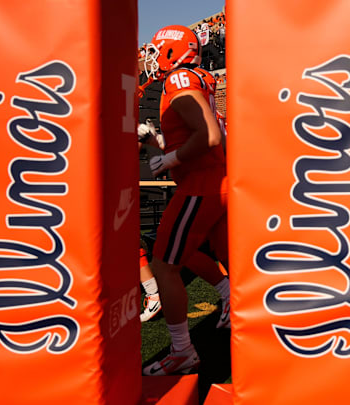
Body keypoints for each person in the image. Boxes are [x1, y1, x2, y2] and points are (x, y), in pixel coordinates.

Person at [139, 24, 230, 376]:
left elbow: (206, 134)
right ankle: (229, 297)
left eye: (157, 49)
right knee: (184, 252)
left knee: (163, 264)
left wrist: (171, 159)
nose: (152, 57)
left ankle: (181, 350)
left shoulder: (178, 81)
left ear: (174, 52)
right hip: (208, 181)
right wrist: (158, 147)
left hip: (201, 185)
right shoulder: (196, 79)